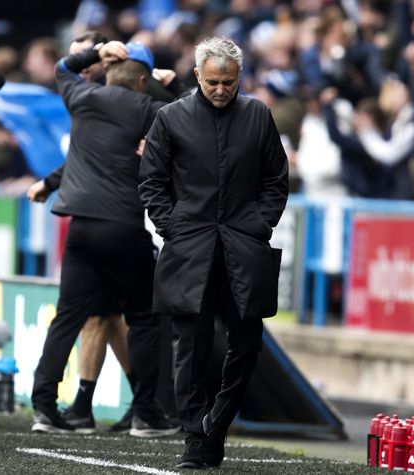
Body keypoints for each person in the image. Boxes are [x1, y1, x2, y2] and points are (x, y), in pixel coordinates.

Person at [138, 37, 288, 468]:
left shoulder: (258, 115)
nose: (220, 90)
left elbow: (277, 179)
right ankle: (193, 438)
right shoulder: (170, 118)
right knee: (192, 349)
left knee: (246, 343)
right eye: (212, 83)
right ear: (197, 76)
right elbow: (151, 183)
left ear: (240, 77)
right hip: (190, 250)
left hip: (244, 248)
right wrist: (174, 228)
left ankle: (215, 426)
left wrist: (259, 225)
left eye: (227, 82)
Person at [30, 39, 182, 438]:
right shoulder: (149, 108)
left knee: (68, 318)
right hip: (123, 228)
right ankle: (147, 413)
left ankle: (45, 406)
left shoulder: (82, 96)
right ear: (142, 81)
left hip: (79, 227)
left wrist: (96, 52)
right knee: (144, 320)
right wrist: (172, 84)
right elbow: (196, 116)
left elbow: (62, 67)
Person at [26, 31, 133, 434]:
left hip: (124, 220)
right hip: (111, 219)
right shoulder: (94, 98)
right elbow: (82, 157)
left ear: (105, 60)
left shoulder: (104, 98)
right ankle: (129, 403)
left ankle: (138, 403)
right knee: (104, 317)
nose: (80, 67)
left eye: (85, 59)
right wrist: (51, 182)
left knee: (111, 317)